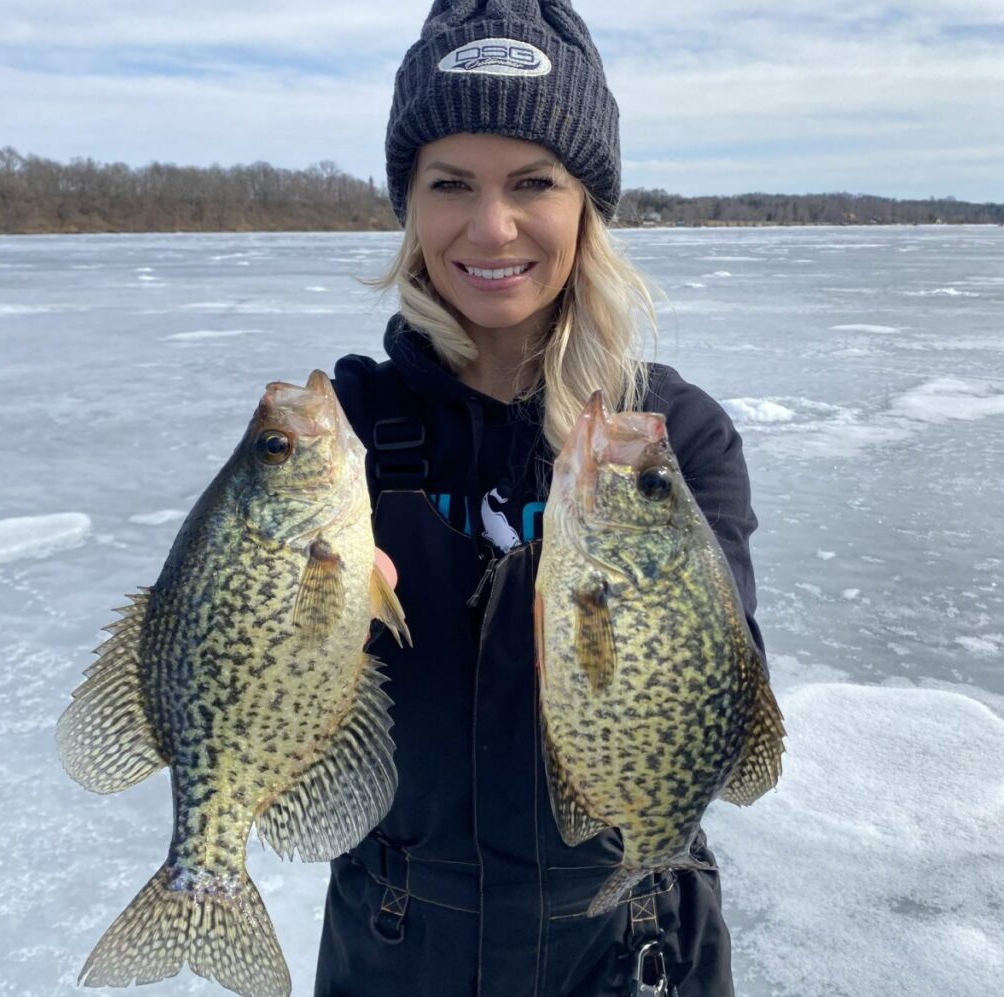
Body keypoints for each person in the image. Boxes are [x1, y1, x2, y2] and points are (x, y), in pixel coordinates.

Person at [316, 2, 764, 995]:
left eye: (533, 183)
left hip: (631, 939)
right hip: (394, 939)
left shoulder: (672, 437)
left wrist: (651, 616)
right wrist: (310, 635)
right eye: (450, 185)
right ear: (410, 207)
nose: (490, 226)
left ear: (586, 206)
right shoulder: (338, 430)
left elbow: (726, 713)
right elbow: (262, 705)